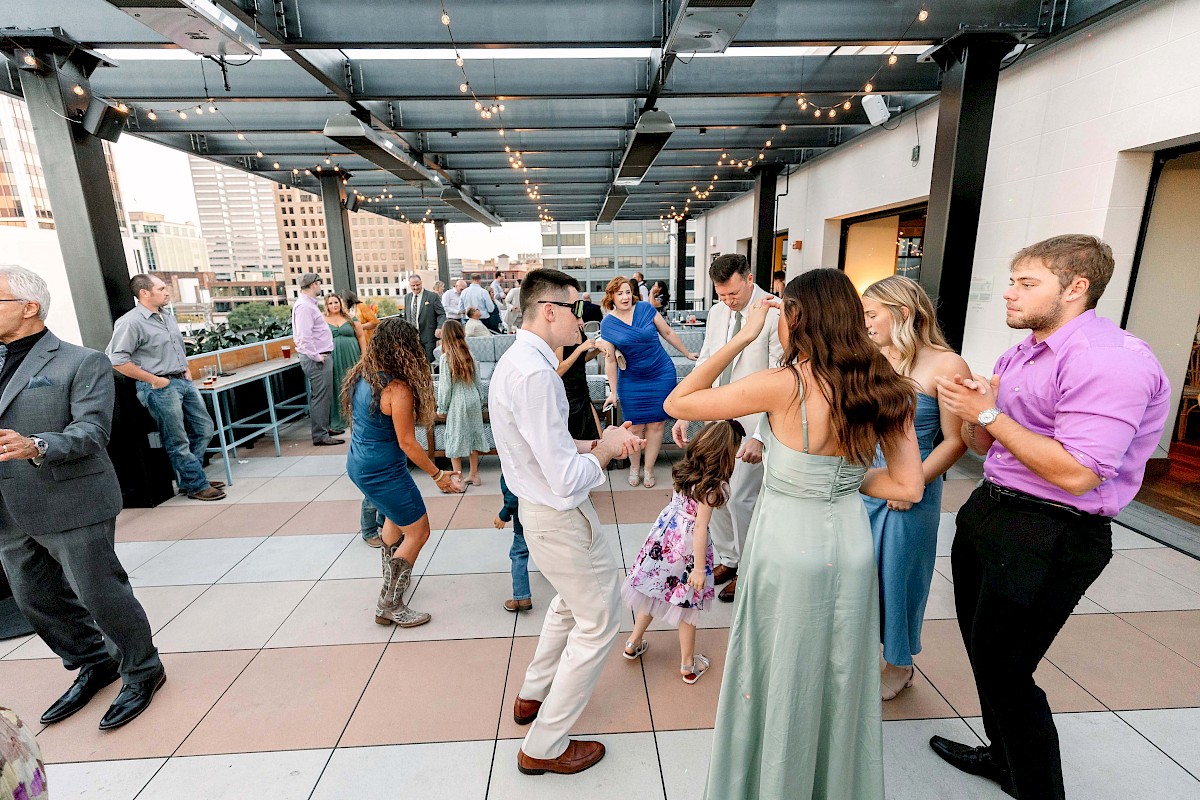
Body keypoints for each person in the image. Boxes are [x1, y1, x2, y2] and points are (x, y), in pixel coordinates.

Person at [665, 269, 923, 800]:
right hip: (849, 541)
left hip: (787, 541)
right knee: (840, 671)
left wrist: (743, 335)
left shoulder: (785, 384)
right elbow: (907, 486)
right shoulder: (887, 386)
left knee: (781, 668)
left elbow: (680, 403)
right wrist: (841, 477)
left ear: (799, 318)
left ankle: (775, 779)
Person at [930, 235, 1171, 800]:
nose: (1009, 294)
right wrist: (974, 410)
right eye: (1013, 281)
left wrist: (987, 410)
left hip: (1052, 531)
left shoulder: (1109, 360)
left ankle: (1038, 786)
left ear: (1076, 288)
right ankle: (1004, 754)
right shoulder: (1023, 352)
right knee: (984, 654)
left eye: (1026, 283)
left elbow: (1079, 472)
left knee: (1007, 670)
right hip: (994, 512)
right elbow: (983, 445)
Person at [489, 268, 646, 776]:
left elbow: (546, 448)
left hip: (544, 514)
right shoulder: (535, 374)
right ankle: (546, 743)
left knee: (568, 605)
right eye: (577, 309)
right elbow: (562, 475)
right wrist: (604, 451)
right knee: (600, 620)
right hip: (558, 515)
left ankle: (533, 696)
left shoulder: (520, 364)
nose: (584, 320)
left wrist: (600, 444)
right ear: (550, 310)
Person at [0, 266, 167, 731]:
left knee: (100, 593)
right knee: (34, 598)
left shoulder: (81, 361)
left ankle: (143, 668)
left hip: (69, 499)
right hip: (9, 509)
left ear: (28, 307)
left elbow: (91, 432)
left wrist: (37, 444)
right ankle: (94, 661)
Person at [861, 275, 970, 700]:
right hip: (864, 480)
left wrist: (910, 484)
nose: (864, 322)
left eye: (872, 314)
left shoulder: (946, 365)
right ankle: (862, 650)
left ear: (902, 313)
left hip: (916, 485)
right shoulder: (869, 357)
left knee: (900, 576)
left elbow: (957, 440)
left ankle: (898, 663)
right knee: (860, 574)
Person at [671, 254, 781, 603]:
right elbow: (706, 361)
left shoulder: (775, 314)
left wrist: (761, 436)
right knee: (711, 491)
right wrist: (687, 411)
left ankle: (749, 568)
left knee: (742, 500)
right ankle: (730, 559)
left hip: (754, 422)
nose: (728, 301)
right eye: (721, 295)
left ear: (749, 279)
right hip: (718, 419)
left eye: (733, 294)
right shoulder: (719, 312)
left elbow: (781, 377)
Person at [343, 318, 465, 628]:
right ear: (405, 349)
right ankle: (390, 604)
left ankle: (392, 584)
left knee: (395, 523)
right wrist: (438, 475)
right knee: (419, 531)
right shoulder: (397, 388)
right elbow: (408, 443)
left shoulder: (363, 375)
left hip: (360, 465)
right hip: (383, 471)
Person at [621, 420, 741, 684]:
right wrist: (699, 569)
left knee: (653, 592)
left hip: (665, 537)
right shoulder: (713, 486)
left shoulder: (686, 470)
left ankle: (632, 642)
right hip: (686, 549)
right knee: (687, 605)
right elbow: (700, 526)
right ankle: (688, 664)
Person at [108, 274, 224, 500]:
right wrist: (155, 380)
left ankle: (191, 477)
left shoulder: (167, 317)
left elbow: (176, 347)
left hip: (182, 381)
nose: (167, 292)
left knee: (204, 429)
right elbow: (117, 360)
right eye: (161, 288)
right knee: (177, 439)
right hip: (160, 387)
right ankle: (196, 484)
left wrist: (186, 369)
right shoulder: (131, 322)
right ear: (144, 293)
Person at [599, 276, 697, 489]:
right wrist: (613, 392)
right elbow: (609, 359)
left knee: (657, 424)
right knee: (635, 427)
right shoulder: (608, 323)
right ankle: (635, 467)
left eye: (627, 292)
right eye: (620, 293)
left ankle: (649, 469)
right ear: (611, 297)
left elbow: (668, 332)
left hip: (660, 373)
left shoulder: (645, 308)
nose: (625, 297)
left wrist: (687, 353)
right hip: (632, 380)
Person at [291, 274, 344, 446]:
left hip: (321, 356)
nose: (320, 286)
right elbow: (304, 336)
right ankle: (320, 435)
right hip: (317, 359)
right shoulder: (305, 307)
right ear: (314, 285)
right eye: (319, 283)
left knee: (324, 395)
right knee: (320, 396)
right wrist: (316, 356)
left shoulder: (308, 305)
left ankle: (324, 427)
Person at [437, 320, 489, 487]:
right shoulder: (470, 354)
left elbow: (445, 387)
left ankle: (457, 478)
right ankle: (474, 475)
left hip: (457, 401)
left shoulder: (446, 358)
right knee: (473, 435)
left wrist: (442, 407)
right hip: (473, 397)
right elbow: (478, 382)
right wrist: (480, 399)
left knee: (455, 437)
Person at [323, 292, 367, 432]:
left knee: (355, 384)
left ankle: (358, 415)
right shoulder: (323, 320)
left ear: (340, 303)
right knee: (338, 385)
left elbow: (361, 336)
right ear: (326, 306)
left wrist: (364, 355)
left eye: (336, 302)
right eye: (330, 303)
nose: (334, 305)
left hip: (352, 355)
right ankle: (340, 417)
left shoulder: (350, 318)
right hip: (333, 357)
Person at [557, 323, 603, 440]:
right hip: (567, 394)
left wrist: (597, 350)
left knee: (597, 438)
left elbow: (580, 360)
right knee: (574, 440)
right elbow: (558, 370)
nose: (581, 320)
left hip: (582, 390)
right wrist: (580, 348)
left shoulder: (579, 327)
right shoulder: (559, 332)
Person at [495, 473, 532, 612]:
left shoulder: (512, 461)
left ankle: (521, 597)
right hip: (550, 516)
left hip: (524, 521)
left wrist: (504, 514)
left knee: (519, 554)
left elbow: (513, 493)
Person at [405, 274, 447, 364]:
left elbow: (441, 314)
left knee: (429, 362)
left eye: (417, 285)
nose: (416, 288)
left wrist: (439, 327)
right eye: (413, 285)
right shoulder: (407, 297)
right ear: (410, 285)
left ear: (421, 283)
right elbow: (406, 316)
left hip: (428, 336)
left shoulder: (432, 296)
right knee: (414, 363)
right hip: (412, 337)